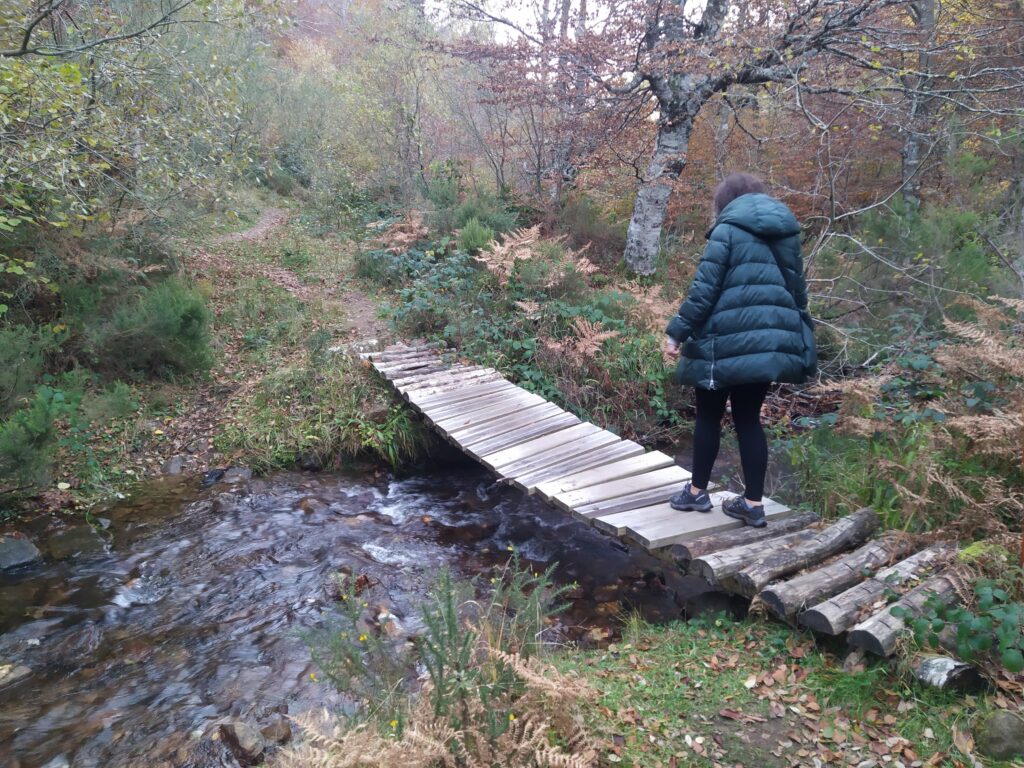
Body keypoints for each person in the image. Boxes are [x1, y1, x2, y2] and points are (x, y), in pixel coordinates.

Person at [664, 173, 816, 527]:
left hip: (723, 341)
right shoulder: (786, 234)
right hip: (769, 344)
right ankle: (752, 503)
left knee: (708, 416)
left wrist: (676, 333)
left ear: (725, 201)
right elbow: (798, 294)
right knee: (749, 419)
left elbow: (704, 291)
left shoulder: (726, 230)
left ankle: (697, 493)